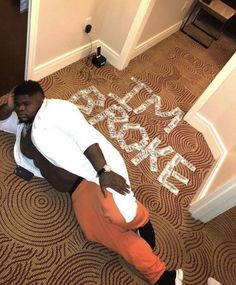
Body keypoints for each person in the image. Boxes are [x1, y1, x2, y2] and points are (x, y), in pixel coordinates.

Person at [0, 80, 184, 285]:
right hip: (75, 191)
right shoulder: (22, 124)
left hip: (92, 175)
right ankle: (162, 276)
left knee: (119, 216)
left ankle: (141, 218)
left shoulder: (56, 110)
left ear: (41, 98)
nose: (21, 108)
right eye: (18, 105)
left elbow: (83, 135)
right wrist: (8, 106)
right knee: (101, 233)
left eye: (26, 103)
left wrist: (103, 170)